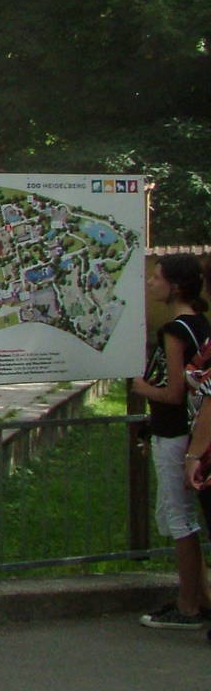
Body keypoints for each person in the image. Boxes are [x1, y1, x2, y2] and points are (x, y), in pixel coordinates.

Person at [131, 253, 211, 628]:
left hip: (175, 433)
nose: (150, 283)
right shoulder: (201, 324)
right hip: (194, 431)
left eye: (156, 277)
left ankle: (187, 605)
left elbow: (173, 391)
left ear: (175, 286)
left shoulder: (174, 331)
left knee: (180, 519)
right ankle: (199, 595)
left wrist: (142, 386)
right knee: (190, 516)